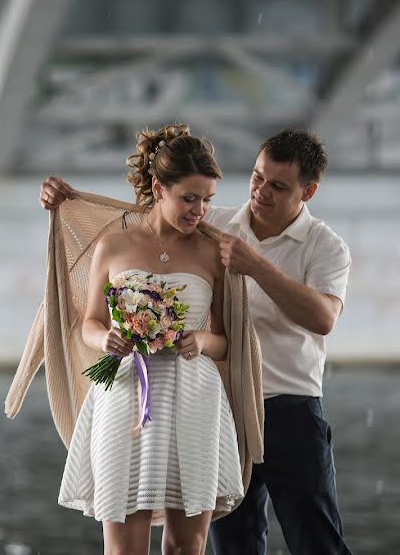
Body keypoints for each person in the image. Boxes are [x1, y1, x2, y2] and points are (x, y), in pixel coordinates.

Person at [41, 128, 353, 555]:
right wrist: (67, 200)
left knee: (316, 541)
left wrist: (252, 272)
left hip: (287, 406)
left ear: (308, 191)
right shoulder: (216, 225)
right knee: (234, 546)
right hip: (220, 401)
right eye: (258, 177)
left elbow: (322, 318)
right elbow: (152, 214)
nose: (261, 192)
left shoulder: (321, 246)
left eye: (278, 186)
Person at [57, 123, 246, 554]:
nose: (199, 211)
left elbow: (225, 342)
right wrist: (105, 339)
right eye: (189, 198)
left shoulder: (212, 252)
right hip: (124, 397)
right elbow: (88, 322)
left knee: (186, 547)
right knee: (123, 548)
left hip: (193, 398)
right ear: (159, 188)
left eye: (207, 200)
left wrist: (200, 340)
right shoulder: (113, 245)